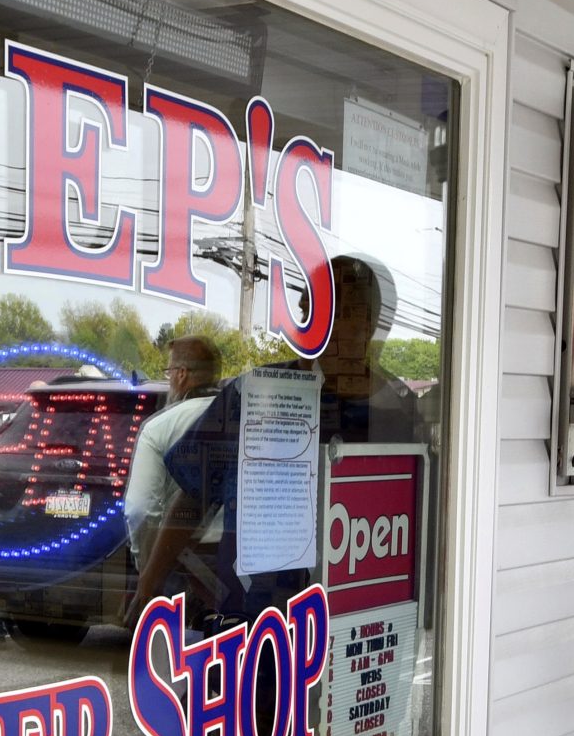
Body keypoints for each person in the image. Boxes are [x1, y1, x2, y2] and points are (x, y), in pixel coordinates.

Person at [128, 253, 425, 630]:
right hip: (254, 628)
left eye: (344, 312)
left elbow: (426, 524)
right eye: (312, 310)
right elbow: (193, 496)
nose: (326, 325)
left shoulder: (397, 412)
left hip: (360, 622)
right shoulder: (255, 395)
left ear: (368, 323)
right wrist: (149, 585)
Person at [123, 335, 223, 606]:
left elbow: (140, 509)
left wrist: (149, 568)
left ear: (180, 375)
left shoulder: (159, 428)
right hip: (238, 569)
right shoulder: (241, 423)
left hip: (179, 571)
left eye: (168, 372)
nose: (168, 380)